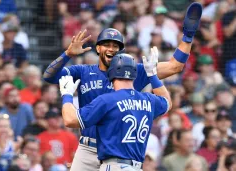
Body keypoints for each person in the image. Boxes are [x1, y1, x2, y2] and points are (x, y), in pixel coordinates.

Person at [43, 2, 203, 170]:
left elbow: (175, 66)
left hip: (118, 151)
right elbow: (49, 76)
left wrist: (187, 37)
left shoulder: (134, 70)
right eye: (107, 44)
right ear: (98, 48)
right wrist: (67, 54)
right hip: (88, 148)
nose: (111, 49)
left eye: (115, 46)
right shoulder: (82, 71)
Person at [59, 50, 172, 171]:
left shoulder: (107, 100)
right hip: (136, 167)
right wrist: (152, 75)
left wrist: (67, 95)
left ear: (111, 74)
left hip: (114, 166)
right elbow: (168, 102)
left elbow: (70, 120)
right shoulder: (149, 99)